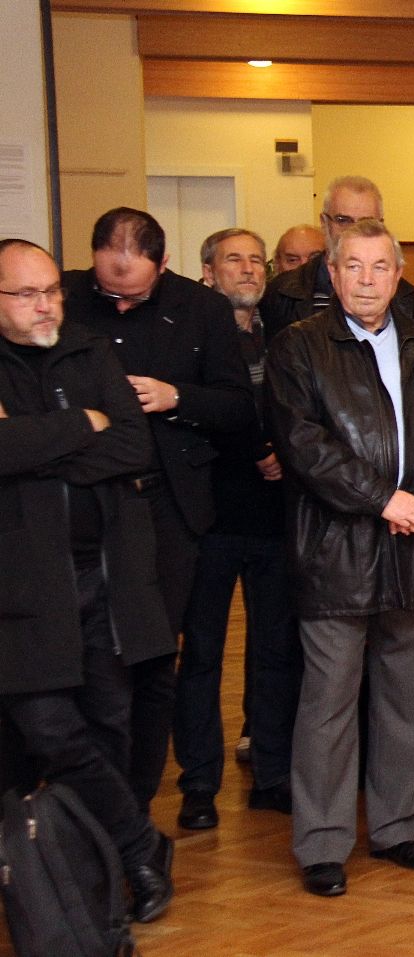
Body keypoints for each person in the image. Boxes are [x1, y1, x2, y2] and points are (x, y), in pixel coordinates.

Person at [265, 218, 414, 897]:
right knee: (327, 705)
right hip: (336, 552)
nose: (366, 280)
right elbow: (303, 446)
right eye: (353, 266)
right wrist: (383, 499)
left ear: (398, 276)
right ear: (332, 274)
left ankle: (398, 828)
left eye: (379, 267)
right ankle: (323, 843)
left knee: (408, 701)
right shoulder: (298, 347)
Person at [0, 238, 176, 923]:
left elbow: (133, 444)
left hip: (105, 577)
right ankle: (139, 846)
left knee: (110, 727)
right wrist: (81, 423)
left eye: (52, 290)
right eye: (27, 294)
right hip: (22, 589)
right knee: (50, 731)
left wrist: (34, 445)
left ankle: (94, 875)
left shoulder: (89, 351)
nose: (46, 305)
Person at [61, 207, 254, 815]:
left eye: (135, 293)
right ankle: (85, 802)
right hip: (83, 507)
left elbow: (237, 407)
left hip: (170, 505)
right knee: (88, 661)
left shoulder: (202, 310)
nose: (120, 302)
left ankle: (148, 800)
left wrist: (177, 398)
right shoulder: (62, 297)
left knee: (158, 657)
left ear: (164, 264)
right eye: (109, 290)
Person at [173, 228, 301, 831]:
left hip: (277, 517)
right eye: (233, 260)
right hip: (210, 517)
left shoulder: (285, 337)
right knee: (201, 654)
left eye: (256, 260)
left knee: (276, 652)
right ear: (207, 272)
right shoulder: (190, 340)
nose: (248, 269)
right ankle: (199, 783)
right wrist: (254, 450)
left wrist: (285, 453)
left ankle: (272, 775)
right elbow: (196, 415)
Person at [260, 175, 414, 337]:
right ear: (324, 223)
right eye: (343, 220)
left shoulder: (407, 301)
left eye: (366, 222)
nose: (354, 230)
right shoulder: (280, 294)